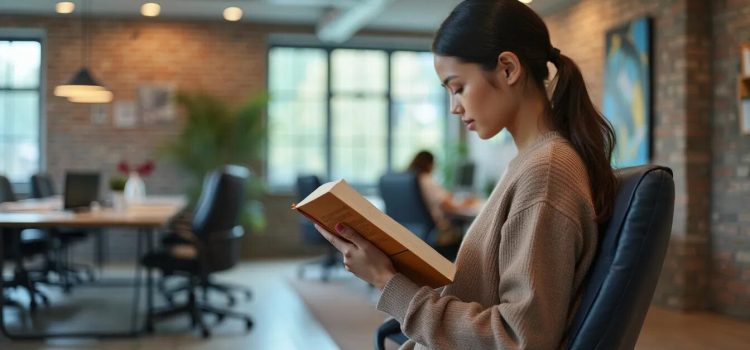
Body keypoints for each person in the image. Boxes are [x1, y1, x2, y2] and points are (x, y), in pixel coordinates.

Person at [315, 0, 617, 348]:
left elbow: (519, 339)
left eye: (458, 87)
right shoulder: (531, 163)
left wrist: (387, 282)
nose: (454, 107)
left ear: (507, 68)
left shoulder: (546, 171)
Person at [407, 150, 477, 247]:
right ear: (429, 164)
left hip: (412, 233)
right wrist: (466, 203)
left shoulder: (411, 180)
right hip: (437, 232)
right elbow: (447, 205)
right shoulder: (427, 180)